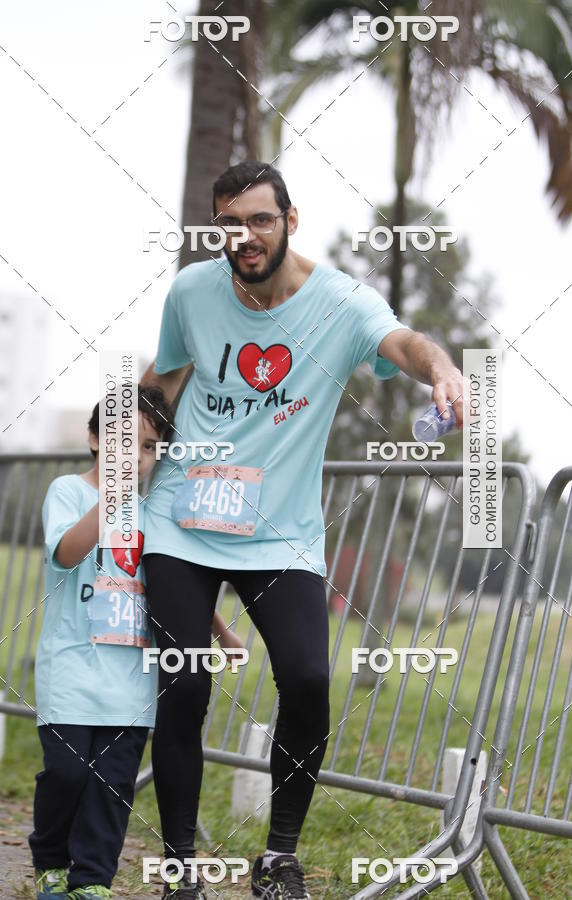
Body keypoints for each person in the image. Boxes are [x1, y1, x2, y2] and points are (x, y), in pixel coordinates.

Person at [141, 160, 464, 900]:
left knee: (310, 678)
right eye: (229, 223)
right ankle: (180, 866)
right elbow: (160, 382)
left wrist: (441, 368)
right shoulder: (192, 291)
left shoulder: (343, 304)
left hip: (280, 533)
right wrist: (135, 449)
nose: (245, 237)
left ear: (292, 219)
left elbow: (405, 343)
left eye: (259, 219)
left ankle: (279, 857)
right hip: (180, 522)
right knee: (185, 685)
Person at [29, 386, 242, 900]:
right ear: (96, 439)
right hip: (72, 668)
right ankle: (52, 857)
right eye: (127, 442)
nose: (139, 457)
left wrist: (222, 631)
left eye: (149, 447)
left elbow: (169, 583)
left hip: (132, 675)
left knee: (112, 783)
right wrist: (114, 500)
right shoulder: (69, 492)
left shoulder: (153, 515)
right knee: (67, 772)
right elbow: (64, 552)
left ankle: (92, 880)